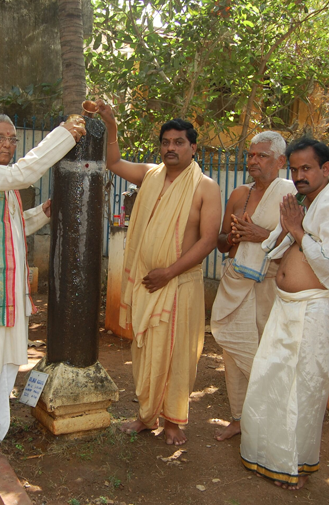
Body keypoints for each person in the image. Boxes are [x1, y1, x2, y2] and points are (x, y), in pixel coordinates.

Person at [0, 114, 85, 456]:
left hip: (4, 289)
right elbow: (23, 173)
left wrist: (44, 212)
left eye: (12, 139)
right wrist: (63, 136)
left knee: (6, 360)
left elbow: (13, 224)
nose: (8, 144)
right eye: (0, 138)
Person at [240, 138, 329, 489]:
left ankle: (293, 467)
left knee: (302, 390)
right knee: (271, 380)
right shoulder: (304, 201)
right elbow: (280, 247)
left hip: (312, 310)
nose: (298, 176)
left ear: (326, 168)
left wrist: (295, 229)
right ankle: (267, 456)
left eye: (306, 168)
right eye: (294, 169)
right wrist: (287, 227)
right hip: (285, 306)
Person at [97, 101, 222, 446]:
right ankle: (145, 415)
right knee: (146, 351)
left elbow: (209, 239)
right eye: (166, 142)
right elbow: (113, 162)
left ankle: (172, 421)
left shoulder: (205, 187)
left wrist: (168, 272)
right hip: (148, 284)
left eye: (179, 142)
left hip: (180, 284)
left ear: (193, 147)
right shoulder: (151, 175)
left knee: (178, 354)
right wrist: (111, 125)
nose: (171, 148)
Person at [211, 131, 296, 441]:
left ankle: (267, 420)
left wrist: (260, 234)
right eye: (250, 155)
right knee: (234, 353)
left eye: (262, 156)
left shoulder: (290, 196)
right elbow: (220, 242)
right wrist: (233, 237)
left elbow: (298, 246)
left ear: (281, 161)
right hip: (235, 279)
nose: (253, 161)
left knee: (265, 352)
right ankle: (238, 417)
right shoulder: (238, 194)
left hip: (269, 286)